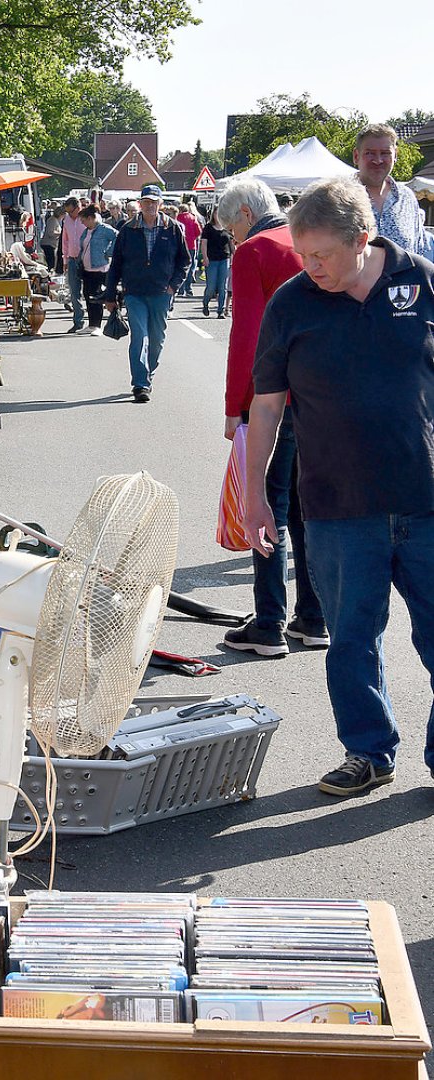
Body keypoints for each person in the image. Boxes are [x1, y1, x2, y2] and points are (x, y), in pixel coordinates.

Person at [244, 176, 434, 796]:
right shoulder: (292, 303)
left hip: (425, 499)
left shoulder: (422, 282)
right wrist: (254, 498)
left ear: (363, 239)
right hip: (335, 505)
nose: (311, 267)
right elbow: (266, 408)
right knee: (351, 640)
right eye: (303, 254)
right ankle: (369, 751)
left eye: (322, 254)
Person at [216, 177, 324, 659]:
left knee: (269, 505)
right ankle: (313, 617)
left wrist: (234, 407)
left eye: (228, 227)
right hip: (319, 394)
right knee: (306, 509)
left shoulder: (254, 251)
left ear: (243, 214)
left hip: (274, 395)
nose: (231, 238)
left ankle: (268, 623)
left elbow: (249, 336)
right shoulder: (304, 241)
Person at [101, 184, 190, 403]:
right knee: (139, 337)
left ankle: (148, 373)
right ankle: (140, 384)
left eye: (154, 202)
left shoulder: (173, 229)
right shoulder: (128, 229)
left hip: (161, 292)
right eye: (146, 202)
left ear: (161, 204)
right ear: (140, 204)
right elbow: (116, 264)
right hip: (135, 293)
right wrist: (110, 296)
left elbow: (185, 261)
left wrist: (173, 286)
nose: (150, 206)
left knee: (157, 339)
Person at [353, 123, 434, 259]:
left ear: (395, 155)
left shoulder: (407, 198)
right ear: (356, 156)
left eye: (385, 153)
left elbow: (419, 253)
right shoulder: (338, 199)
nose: (378, 160)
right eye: (370, 153)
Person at [76, 204, 116, 334]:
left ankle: (97, 326)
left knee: (97, 296)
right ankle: (92, 324)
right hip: (87, 268)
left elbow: (118, 237)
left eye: (83, 220)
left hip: (100, 268)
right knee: (87, 295)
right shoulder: (87, 231)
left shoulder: (104, 229)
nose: (82, 223)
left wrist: (108, 252)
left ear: (91, 218)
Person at [59, 198, 88, 330]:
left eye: (71, 211)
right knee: (74, 291)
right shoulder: (67, 220)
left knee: (89, 291)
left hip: (86, 259)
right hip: (72, 258)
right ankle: (78, 321)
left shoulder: (87, 218)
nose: (69, 214)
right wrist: (65, 260)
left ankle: (94, 322)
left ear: (78, 208)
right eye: (67, 212)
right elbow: (64, 241)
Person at [200, 212, 234, 318]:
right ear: (213, 215)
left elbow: (231, 244)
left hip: (225, 259)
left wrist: (235, 256)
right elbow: (204, 243)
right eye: (216, 213)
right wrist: (205, 257)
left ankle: (220, 310)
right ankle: (205, 303)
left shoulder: (227, 227)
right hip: (211, 260)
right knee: (211, 286)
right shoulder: (208, 228)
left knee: (222, 286)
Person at [175, 201, 202, 298]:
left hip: (180, 246)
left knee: (180, 267)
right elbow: (198, 232)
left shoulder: (177, 218)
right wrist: (193, 238)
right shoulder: (193, 218)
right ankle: (189, 289)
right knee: (190, 268)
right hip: (191, 245)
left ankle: (180, 289)